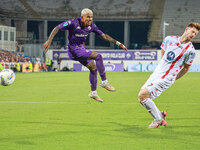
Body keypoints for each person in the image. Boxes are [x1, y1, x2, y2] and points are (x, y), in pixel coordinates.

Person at [43, 8, 127, 103]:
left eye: (91, 17)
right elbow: (57, 28)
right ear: (82, 17)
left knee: (93, 67)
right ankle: (104, 82)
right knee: (98, 56)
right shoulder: (73, 23)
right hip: (73, 49)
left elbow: (104, 35)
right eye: (88, 17)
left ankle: (93, 92)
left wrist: (119, 43)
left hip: (81, 49)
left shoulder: (91, 26)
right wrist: (49, 40)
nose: (90, 19)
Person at [138, 22, 200, 128]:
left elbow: (186, 68)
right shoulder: (169, 39)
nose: (193, 35)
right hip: (157, 74)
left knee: (142, 95)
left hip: (167, 78)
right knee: (142, 98)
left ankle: (158, 120)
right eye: (192, 31)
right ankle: (161, 115)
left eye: (195, 34)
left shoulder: (191, 51)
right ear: (186, 29)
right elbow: (163, 52)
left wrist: (173, 78)